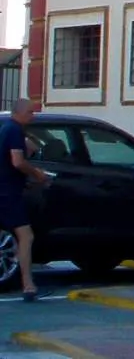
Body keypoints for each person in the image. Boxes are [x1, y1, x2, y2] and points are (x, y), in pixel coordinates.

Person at [0, 99, 50, 300]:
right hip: (8, 193)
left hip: (6, 190)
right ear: (19, 112)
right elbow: (18, 161)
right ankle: (28, 285)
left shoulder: (8, 129)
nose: (33, 116)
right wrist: (37, 174)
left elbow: (30, 148)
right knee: (26, 236)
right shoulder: (13, 131)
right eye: (30, 112)